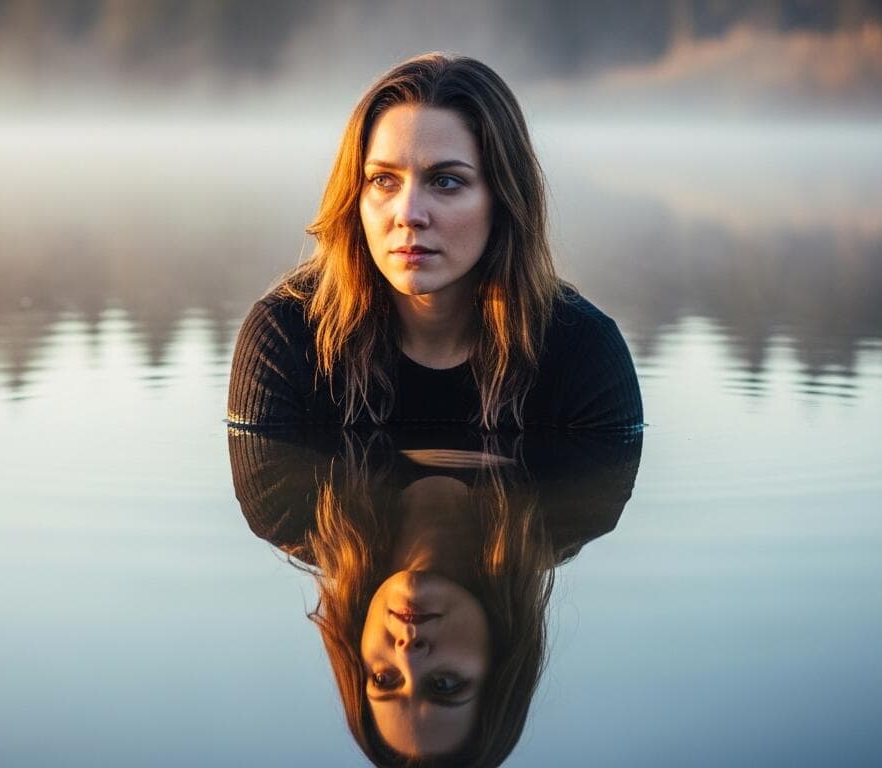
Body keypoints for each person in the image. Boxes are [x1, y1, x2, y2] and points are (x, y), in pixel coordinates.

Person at [227, 53, 643, 432]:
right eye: (383, 180)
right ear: (354, 196)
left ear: (504, 200)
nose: (408, 214)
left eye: (446, 181)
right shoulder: (286, 338)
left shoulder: (583, 353)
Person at [227, 425, 643, 767]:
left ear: (358, 650)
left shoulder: (285, 505)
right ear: (500, 655)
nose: (407, 654)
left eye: (384, 679)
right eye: (444, 683)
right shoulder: (580, 503)